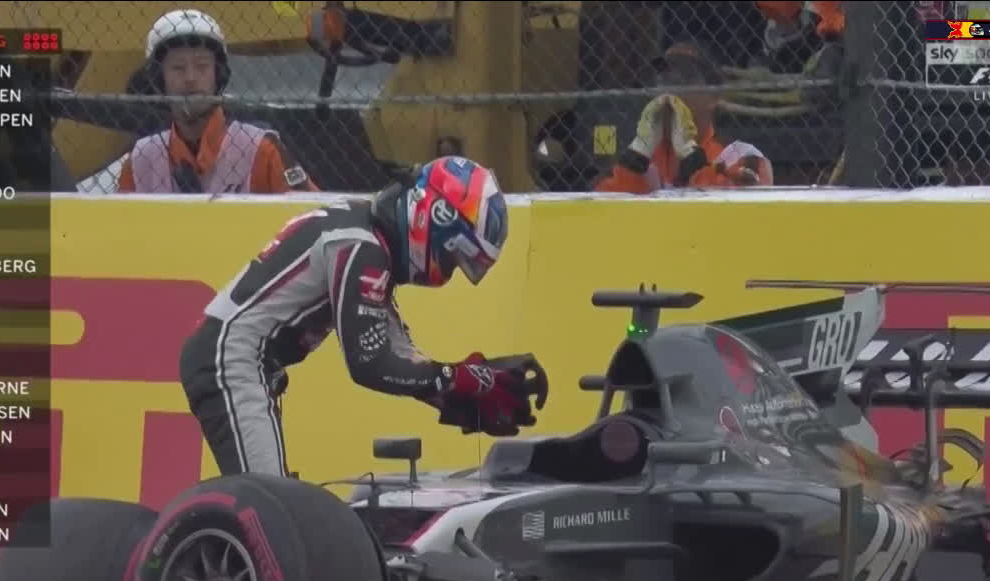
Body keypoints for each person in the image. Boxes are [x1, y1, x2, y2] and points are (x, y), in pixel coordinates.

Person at [178, 155, 540, 477]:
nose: (447, 270)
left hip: (239, 358)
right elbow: (369, 363)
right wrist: (459, 378)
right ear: (431, 217)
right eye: (453, 257)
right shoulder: (360, 246)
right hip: (232, 358)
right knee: (268, 506)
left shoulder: (367, 240)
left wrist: (473, 391)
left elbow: (401, 357)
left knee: (280, 504)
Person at [117, 8, 319, 194]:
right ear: (159, 79)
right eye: (178, 67)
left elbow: (312, 213)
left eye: (202, 66)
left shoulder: (261, 149)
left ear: (218, 75)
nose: (190, 78)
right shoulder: (140, 159)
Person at [595, 40, 774, 193]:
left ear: (713, 96)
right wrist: (636, 159)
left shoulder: (741, 156)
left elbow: (730, 214)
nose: (668, 92)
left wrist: (690, 157)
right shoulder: (641, 157)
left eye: (681, 81)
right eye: (663, 81)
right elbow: (604, 210)